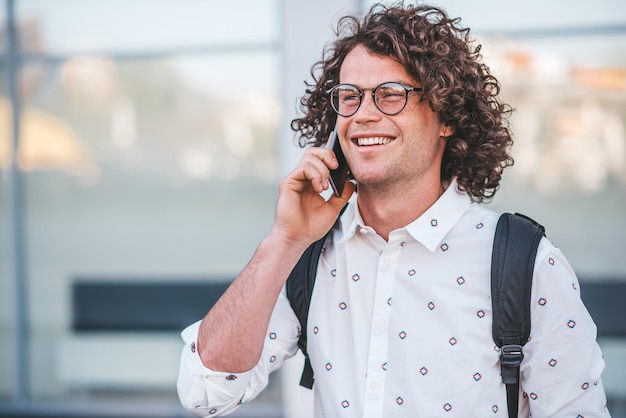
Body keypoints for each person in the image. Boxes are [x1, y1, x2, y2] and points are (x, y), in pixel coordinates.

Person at [177, 3, 611, 417]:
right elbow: (206, 392)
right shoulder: (307, 255)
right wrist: (284, 240)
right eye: (350, 97)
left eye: (390, 95)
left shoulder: (524, 262)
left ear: (446, 117)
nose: (363, 114)